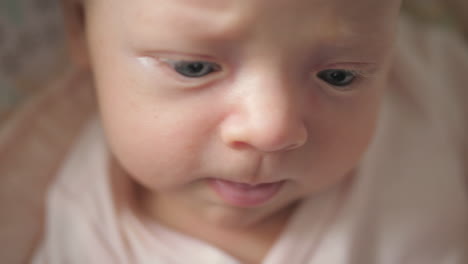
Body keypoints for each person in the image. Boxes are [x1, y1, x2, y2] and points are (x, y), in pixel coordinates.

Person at [32, 0, 468, 263]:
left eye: (340, 76)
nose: (271, 130)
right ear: (80, 25)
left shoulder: (429, 83)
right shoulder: (86, 241)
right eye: (194, 67)